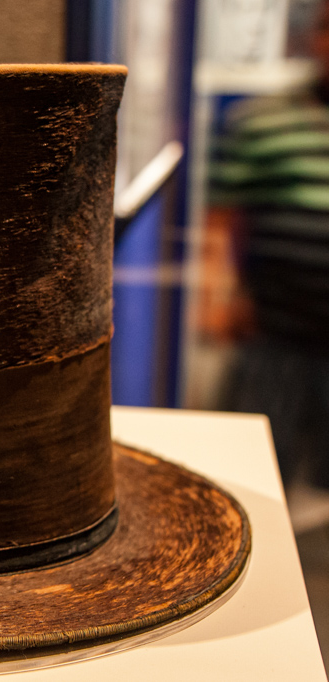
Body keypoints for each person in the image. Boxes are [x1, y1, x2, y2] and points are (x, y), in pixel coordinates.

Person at [207, 2, 329, 492]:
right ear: (315, 38)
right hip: (275, 330)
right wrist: (217, 298)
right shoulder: (261, 122)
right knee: (256, 470)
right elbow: (223, 219)